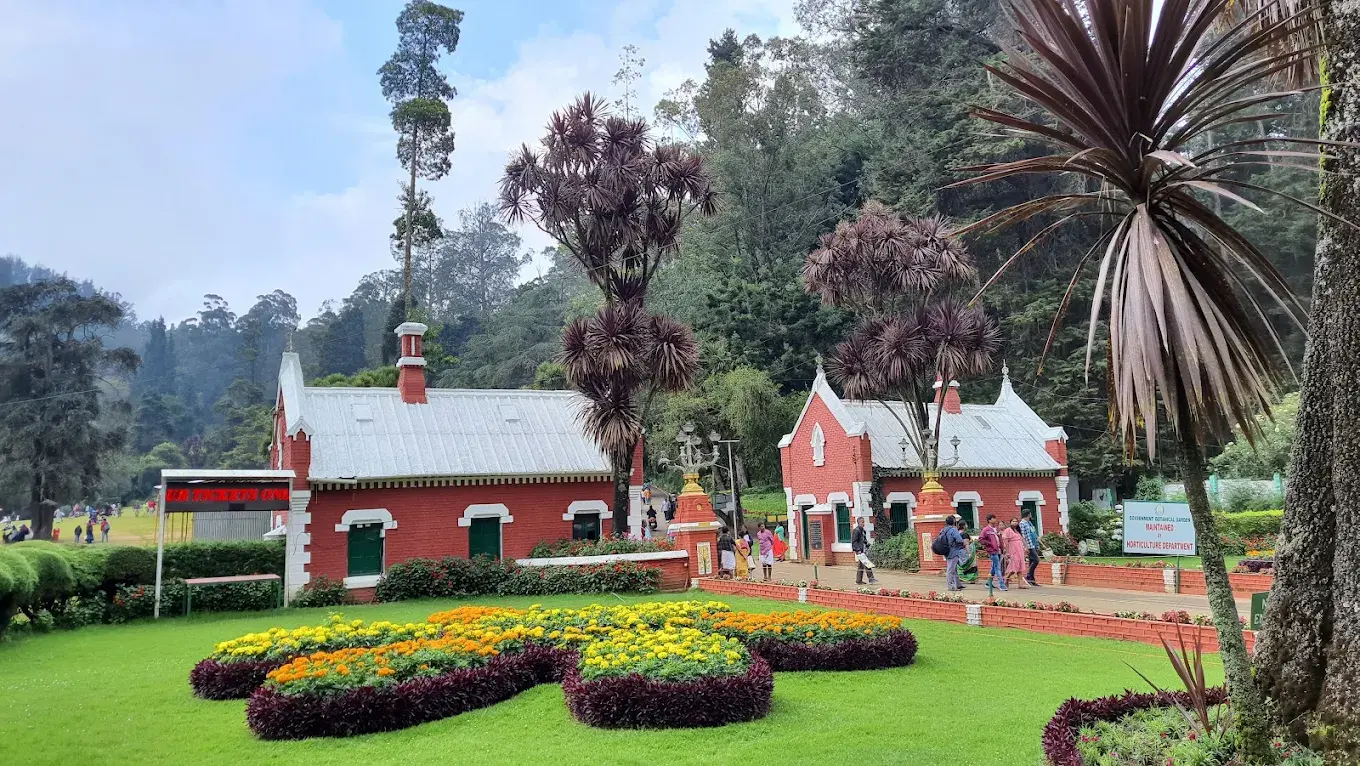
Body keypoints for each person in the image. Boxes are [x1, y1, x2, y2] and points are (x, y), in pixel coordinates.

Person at [980, 514, 1007, 591]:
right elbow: (981, 539)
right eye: (993, 519)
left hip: (998, 550)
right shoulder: (986, 529)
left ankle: (988, 583)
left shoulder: (995, 529)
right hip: (992, 550)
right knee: (997, 567)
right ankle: (1001, 584)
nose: (995, 520)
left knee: (994, 567)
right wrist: (990, 544)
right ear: (989, 520)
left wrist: (1002, 547)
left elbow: (999, 539)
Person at [1001, 518, 1029, 589]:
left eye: (1016, 521)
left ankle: (1020, 584)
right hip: (1013, 549)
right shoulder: (1008, 530)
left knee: (1020, 567)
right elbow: (1006, 541)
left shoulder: (1018, 531)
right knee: (1014, 566)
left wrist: (1026, 547)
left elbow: (1022, 539)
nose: (1015, 523)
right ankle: (1006, 578)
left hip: (1020, 550)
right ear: (1010, 522)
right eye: (1013, 521)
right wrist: (1007, 552)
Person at [851, 517, 878, 585]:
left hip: (864, 550)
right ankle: (871, 579)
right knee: (867, 564)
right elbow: (854, 541)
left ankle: (858, 580)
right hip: (860, 551)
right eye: (862, 522)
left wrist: (868, 544)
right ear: (858, 522)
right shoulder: (856, 530)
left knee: (861, 566)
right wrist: (858, 550)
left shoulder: (863, 530)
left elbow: (864, 540)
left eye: (864, 522)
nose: (863, 523)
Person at [942, 517, 968, 590]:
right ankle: (951, 586)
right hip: (953, 551)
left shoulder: (943, 530)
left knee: (954, 568)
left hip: (946, 551)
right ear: (953, 522)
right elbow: (959, 539)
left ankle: (958, 584)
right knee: (951, 569)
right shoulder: (953, 530)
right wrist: (964, 541)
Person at [1020, 509, 1041, 586]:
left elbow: (1033, 533)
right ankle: (1028, 576)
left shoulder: (1029, 523)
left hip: (1034, 544)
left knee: (1032, 561)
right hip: (1029, 545)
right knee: (1036, 560)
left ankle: (1032, 579)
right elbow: (1023, 536)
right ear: (1028, 514)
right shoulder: (1022, 523)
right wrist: (1026, 547)